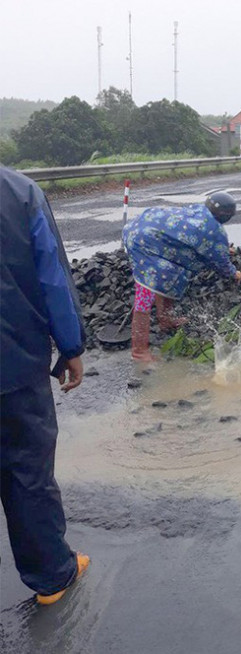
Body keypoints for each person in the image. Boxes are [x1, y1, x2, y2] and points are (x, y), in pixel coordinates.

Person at [0, 166, 90, 605]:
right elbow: (52, 276)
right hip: (12, 365)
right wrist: (70, 345)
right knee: (26, 472)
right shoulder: (19, 192)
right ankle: (53, 578)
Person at [122, 192, 241, 362]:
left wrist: (222, 247)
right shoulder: (212, 230)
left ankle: (165, 319)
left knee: (170, 275)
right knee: (147, 291)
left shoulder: (200, 211)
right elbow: (221, 263)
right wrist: (234, 273)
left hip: (144, 227)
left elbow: (197, 238)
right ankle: (139, 351)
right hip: (143, 242)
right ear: (226, 216)